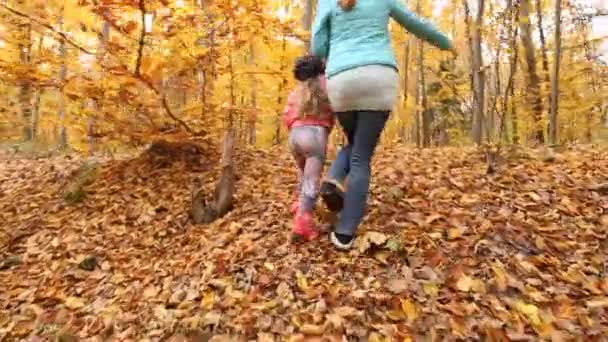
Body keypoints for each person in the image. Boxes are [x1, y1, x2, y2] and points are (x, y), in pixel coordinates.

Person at [310, 0, 454, 249]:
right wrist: (446, 43)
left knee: (354, 143)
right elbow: (415, 23)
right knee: (361, 155)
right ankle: (345, 231)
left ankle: (333, 178)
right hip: (379, 76)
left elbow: (318, 45)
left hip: (342, 81)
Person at [283, 55, 335, 241]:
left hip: (294, 135)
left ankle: (299, 204)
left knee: (302, 172)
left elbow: (287, 115)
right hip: (314, 135)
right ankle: (302, 223)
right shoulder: (325, 85)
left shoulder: (297, 91)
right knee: (312, 180)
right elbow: (332, 110)